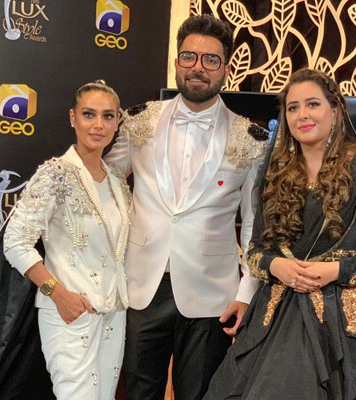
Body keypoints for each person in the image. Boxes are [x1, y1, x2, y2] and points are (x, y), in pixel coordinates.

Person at [203, 68, 356, 400]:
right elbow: (256, 251)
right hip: (277, 315)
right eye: (292, 107)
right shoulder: (274, 175)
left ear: (335, 110)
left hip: (343, 323)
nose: (302, 115)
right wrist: (277, 266)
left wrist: (336, 270)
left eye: (312, 104)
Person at [104, 15, 269, 400]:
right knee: (138, 391)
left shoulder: (251, 138)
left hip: (212, 293)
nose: (198, 67)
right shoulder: (139, 120)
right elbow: (104, 185)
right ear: (177, 62)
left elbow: (254, 224)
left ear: (226, 69)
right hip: (141, 285)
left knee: (200, 393)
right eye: (189, 57)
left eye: (211, 60)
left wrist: (247, 291)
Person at [0, 80, 130, 400]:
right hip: (70, 313)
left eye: (108, 116)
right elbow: (15, 241)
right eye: (89, 114)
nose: (98, 124)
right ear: (73, 118)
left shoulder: (117, 180)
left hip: (114, 314)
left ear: (117, 122)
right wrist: (58, 293)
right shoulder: (55, 173)